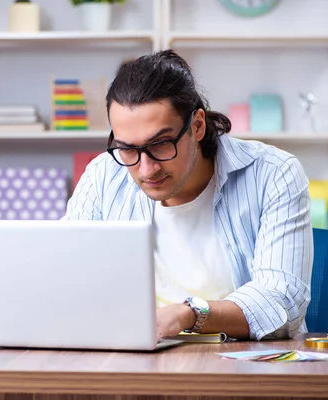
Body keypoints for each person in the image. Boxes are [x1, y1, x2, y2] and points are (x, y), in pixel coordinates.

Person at [62, 49, 313, 341]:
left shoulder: (274, 173)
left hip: (242, 363)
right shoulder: (104, 174)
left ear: (197, 126)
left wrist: (189, 314)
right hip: (132, 359)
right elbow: (68, 276)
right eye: (128, 148)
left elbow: (282, 303)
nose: (146, 168)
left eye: (161, 144)